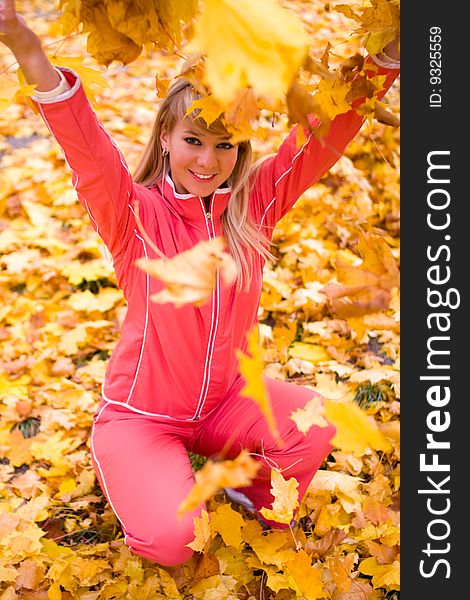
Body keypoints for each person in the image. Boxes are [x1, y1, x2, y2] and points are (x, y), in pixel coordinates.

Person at [1, 0, 400, 567]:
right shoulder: (132, 215)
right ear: (166, 136)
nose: (209, 160)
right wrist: (26, 47)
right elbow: (85, 147)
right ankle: (134, 469)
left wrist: (393, 52)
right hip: (142, 418)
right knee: (173, 542)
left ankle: (248, 496)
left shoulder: (253, 205)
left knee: (319, 422)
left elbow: (323, 134)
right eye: (194, 140)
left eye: (225, 144)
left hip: (225, 403)